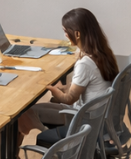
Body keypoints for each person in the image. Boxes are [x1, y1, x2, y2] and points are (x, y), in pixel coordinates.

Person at [19, 8, 119, 138]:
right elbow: (85, 86)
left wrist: (50, 88)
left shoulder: (85, 63)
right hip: (96, 116)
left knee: (24, 113)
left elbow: (69, 99)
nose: (65, 35)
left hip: (83, 119)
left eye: (66, 31)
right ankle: (19, 154)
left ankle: (49, 138)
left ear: (77, 34)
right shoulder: (103, 53)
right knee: (33, 109)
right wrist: (64, 88)